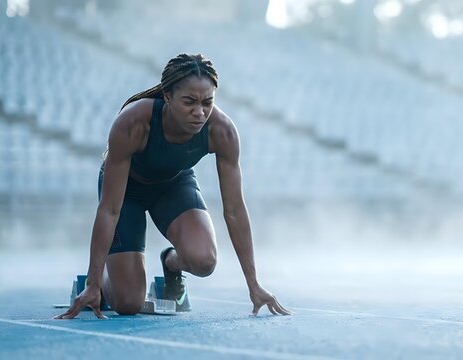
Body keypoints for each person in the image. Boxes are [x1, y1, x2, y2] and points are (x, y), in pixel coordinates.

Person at [55, 53, 291, 319]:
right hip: (127, 192)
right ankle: (94, 281)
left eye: (207, 103)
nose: (199, 112)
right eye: (189, 102)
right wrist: (93, 283)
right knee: (128, 303)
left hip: (173, 185)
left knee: (204, 261)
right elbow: (109, 209)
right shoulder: (133, 123)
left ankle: (170, 264)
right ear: (167, 96)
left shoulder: (222, 132)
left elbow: (235, 210)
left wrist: (254, 285)